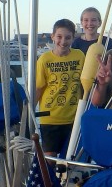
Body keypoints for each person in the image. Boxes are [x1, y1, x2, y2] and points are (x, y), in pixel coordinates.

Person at [35, 18, 85, 156]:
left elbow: (84, 83)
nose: (63, 41)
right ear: (52, 36)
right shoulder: (44, 59)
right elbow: (39, 88)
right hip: (50, 118)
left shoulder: (79, 56)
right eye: (59, 37)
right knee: (50, 160)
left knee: (69, 160)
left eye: (68, 37)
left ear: (73, 38)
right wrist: (29, 114)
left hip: (73, 118)